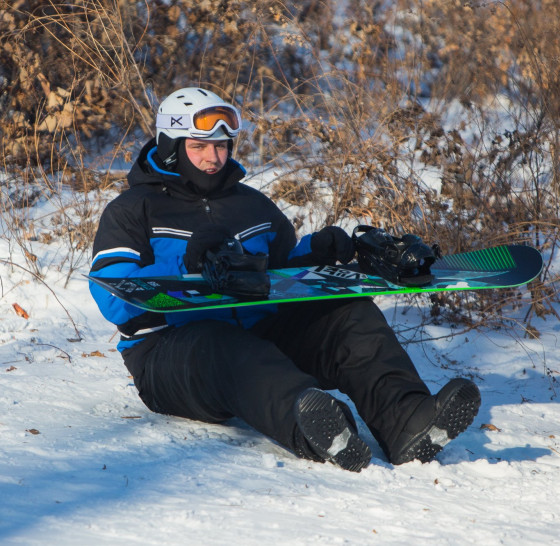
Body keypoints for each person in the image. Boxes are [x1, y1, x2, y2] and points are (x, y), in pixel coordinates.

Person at [88, 87, 481, 471]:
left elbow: (279, 268)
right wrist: (185, 268)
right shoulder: (133, 210)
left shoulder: (250, 205)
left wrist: (315, 252)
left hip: (258, 330)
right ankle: (318, 429)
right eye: (199, 146)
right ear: (171, 147)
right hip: (169, 356)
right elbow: (112, 296)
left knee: (348, 313)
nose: (213, 157)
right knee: (221, 343)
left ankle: (407, 420)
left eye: (221, 145)